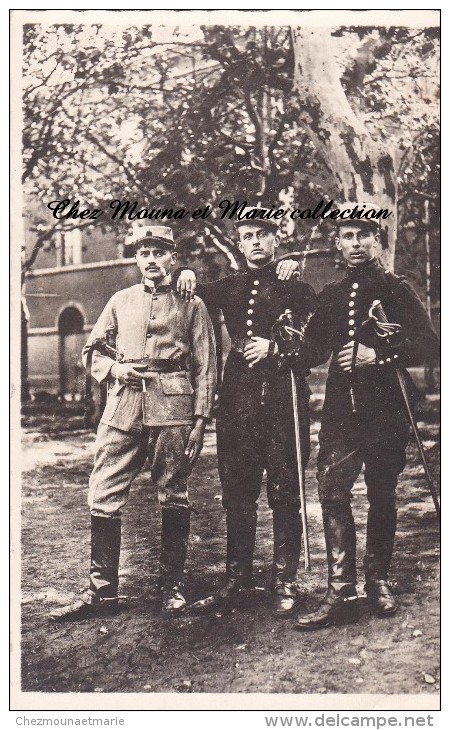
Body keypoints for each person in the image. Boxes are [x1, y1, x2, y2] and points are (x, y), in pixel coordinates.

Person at [50, 226, 216, 620]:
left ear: (173, 259)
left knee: (174, 493)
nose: (152, 260)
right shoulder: (120, 300)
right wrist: (114, 368)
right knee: (103, 491)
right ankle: (101, 593)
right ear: (137, 259)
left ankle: (171, 588)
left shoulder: (192, 303)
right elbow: (90, 352)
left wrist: (200, 418)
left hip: (173, 404)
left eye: (160, 252)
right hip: (123, 404)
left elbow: (207, 365)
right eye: (144, 253)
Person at [295, 210, 439, 630]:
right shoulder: (332, 295)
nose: (356, 243)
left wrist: (379, 355)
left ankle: (377, 581)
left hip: (386, 410)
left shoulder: (396, 288)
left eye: (364, 235)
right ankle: (340, 590)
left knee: (382, 493)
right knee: (332, 491)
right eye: (347, 236)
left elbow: (429, 344)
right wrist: (279, 344)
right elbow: (312, 350)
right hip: (341, 414)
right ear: (337, 244)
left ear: (378, 241)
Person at [176, 211, 317, 615]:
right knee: (237, 488)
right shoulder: (230, 287)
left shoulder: (297, 286)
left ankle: (284, 580)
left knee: (285, 486)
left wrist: (277, 349)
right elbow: (188, 292)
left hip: (283, 393)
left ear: (276, 239)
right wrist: (184, 270)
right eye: (248, 236)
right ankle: (237, 579)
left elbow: (315, 343)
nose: (256, 241)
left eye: (263, 235)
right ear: (239, 244)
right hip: (238, 395)